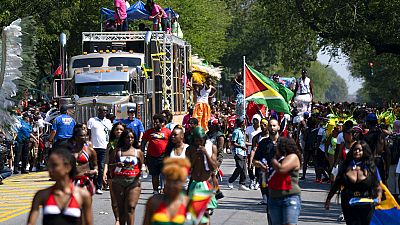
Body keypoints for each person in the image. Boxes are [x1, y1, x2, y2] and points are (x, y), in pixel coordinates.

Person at [27, 147, 93, 225]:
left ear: (67, 167)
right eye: (49, 166)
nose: (50, 170)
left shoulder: (83, 195)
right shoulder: (42, 195)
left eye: (54, 165)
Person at [325, 141, 382, 225]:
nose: (357, 152)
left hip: (366, 201)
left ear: (364, 152)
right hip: (348, 201)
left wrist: (379, 198)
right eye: (355, 149)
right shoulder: (345, 166)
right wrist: (328, 199)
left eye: (360, 150)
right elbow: (337, 184)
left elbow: (377, 186)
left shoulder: (371, 167)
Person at [109, 129, 144, 225]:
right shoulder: (117, 151)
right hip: (119, 181)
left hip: (134, 182)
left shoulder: (138, 152)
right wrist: (117, 164)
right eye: (127, 137)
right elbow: (110, 165)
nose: (130, 139)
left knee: (130, 207)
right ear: (123, 138)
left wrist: (138, 174)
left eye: (132, 137)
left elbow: (142, 167)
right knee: (121, 210)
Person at [142, 158, 191, 225]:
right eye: (169, 180)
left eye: (176, 181)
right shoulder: (153, 202)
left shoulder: (188, 204)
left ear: (183, 182)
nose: (171, 185)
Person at [186, 126, 218, 225]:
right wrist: (195, 157)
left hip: (206, 184)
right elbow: (187, 168)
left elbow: (213, 167)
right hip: (194, 184)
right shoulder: (190, 149)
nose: (198, 143)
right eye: (196, 140)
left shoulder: (212, 147)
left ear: (204, 139)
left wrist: (205, 154)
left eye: (200, 140)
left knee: (206, 214)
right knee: (194, 215)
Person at [268, 137, 302, 225]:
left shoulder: (293, 157)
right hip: (274, 198)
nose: (276, 148)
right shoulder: (280, 159)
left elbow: (282, 169)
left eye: (277, 146)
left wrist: (273, 160)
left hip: (289, 198)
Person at [141, 114, 171, 194]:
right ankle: (155, 190)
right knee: (154, 175)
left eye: (157, 122)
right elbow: (143, 143)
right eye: (154, 122)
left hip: (164, 156)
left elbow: (171, 143)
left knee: (164, 174)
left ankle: (164, 188)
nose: (155, 124)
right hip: (151, 157)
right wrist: (142, 154)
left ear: (162, 123)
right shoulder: (148, 132)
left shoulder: (167, 132)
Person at [87, 106, 113, 194]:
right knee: (93, 167)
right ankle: (92, 185)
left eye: (106, 111)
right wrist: (88, 144)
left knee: (101, 167)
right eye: (103, 110)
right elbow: (89, 133)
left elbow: (110, 133)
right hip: (93, 147)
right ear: (99, 111)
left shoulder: (108, 122)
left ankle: (99, 186)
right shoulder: (92, 120)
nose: (104, 112)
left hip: (104, 147)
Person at [252, 119, 278, 206]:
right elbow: (255, 160)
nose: (272, 128)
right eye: (270, 126)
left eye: (274, 125)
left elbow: (294, 160)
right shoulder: (263, 143)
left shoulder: (284, 142)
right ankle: (265, 198)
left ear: (278, 127)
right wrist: (261, 165)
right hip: (267, 176)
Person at [104, 122, 126, 225]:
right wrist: (104, 173)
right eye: (117, 129)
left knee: (124, 198)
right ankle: (117, 219)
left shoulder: (128, 143)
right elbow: (106, 160)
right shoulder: (111, 144)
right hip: (112, 173)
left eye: (121, 130)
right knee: (114, 199)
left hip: (125, 174)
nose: (119, 132)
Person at [67, 125, 98, 195]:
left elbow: (95, 165)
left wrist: (94, 171)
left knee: (85, 203)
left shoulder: (90, 151)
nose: (84, 138)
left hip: (85, 180)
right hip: (72, 180)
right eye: (81, 136)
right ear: (75, 137)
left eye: (86, 135)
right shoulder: (69, 150)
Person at [227, 117, 250, 191]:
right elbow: (233, 142)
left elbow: (243, 142)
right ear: (242, 123)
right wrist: (241, 147)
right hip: (238, 152)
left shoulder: (242, 132)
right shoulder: (236, 132)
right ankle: (230, 181)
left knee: (244, 169)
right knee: (239, 167)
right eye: (244, 122)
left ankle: (242, 184)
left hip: (243, 153)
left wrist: (251, 144)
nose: (245, 123)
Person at [246, 114, 262, 189]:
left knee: (258, 166)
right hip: (250, 150)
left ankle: (258, 181)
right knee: (250, 166)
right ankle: (252, 180)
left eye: (257, 120)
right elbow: (245, 141)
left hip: (259, 151)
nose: (255, 121)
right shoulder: (248, 129)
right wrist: (252, 145)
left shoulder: (261, 129)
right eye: (254, 119)